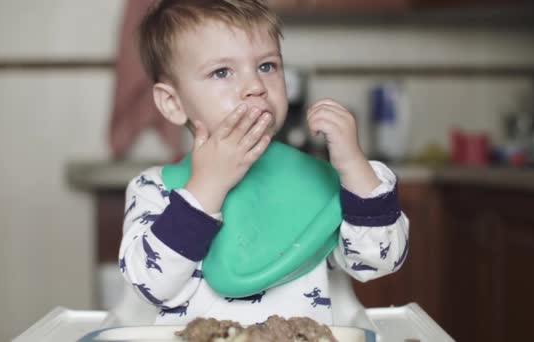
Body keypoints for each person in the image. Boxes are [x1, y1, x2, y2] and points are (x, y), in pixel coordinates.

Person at [119, 0, 409, 326]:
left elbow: (378, 262)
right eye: (222, 72)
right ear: (173, 103)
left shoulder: (322, 182)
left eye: (267, 66)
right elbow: (149, 285)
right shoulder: (154, 189)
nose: (256, 86)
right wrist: (206, 187)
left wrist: (354, 166)